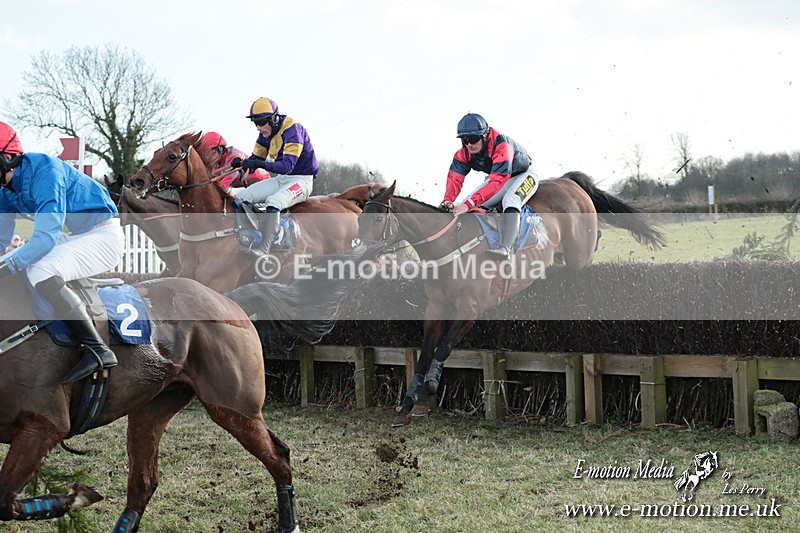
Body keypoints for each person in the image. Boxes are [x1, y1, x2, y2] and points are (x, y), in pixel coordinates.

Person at [0, 121, 125, 384]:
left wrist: (7, 266)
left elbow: (45, 238)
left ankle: (98, 349)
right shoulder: (5, 190)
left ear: (7, 157)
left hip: (103, 236)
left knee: (39, 267)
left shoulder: (45, 170)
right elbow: (1, 241)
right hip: (76, 237)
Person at [440, 113, 539, 259]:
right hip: (500, 177)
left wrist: (469, 204)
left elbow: (497, 181)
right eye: (464, 140)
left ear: (485, 135)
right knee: (464, 205)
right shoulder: (463, 154)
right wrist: (448, 200)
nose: (469, 145)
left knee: (510, 201)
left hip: (523, 175)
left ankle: (505, 247)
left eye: (473, 139)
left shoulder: (502, 145)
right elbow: (455, 178)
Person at [229, 97, 319, 255]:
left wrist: (258, 164)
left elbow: (286, 166)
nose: (258, 127)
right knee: (242, 197)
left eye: (261, 122)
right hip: (282, 179)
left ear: (274, 119)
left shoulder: (293, 130)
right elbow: (256, 159)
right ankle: (251, 237)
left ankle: (264, 249)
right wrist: (242, 163)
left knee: (274, 202)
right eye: (255, 123)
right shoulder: (265, 134)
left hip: (302, 180)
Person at [199, 131, 270, 192]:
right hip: (248, 187)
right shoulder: (217, 162)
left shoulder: (234, 156)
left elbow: (222, 186)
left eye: (210, 153)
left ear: (220, 148)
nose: (208, 157)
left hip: (263, 183)